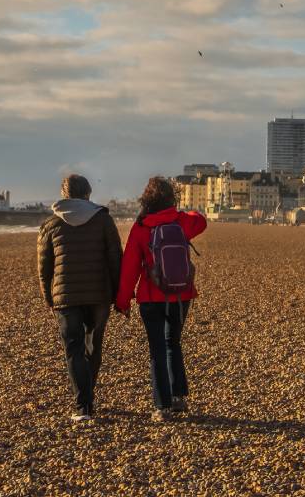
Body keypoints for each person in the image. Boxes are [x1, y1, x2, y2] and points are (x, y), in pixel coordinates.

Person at [115, 177, 207, 422]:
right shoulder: (182, 221)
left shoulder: (141, 227)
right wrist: (182, 210)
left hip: (150, 296)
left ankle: (162, 406)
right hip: (181, 294)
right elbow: (201, 220)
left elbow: (130, 268)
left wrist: (123, 300)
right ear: (171, 198)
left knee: (157, 349)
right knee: (173, 343)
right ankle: (179, 398)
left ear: (146, 200)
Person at [37, 174, 122, 423]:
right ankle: (88, 393)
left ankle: (82, 406)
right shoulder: (104, 220)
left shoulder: (51, 224)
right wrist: (119, 293)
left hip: (66, 296)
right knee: (93, 345)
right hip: (99, 295)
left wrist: (47, 297)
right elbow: (116, 258)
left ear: (65, 194)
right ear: (88, 193)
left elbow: (44, 267)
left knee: (73, 348)